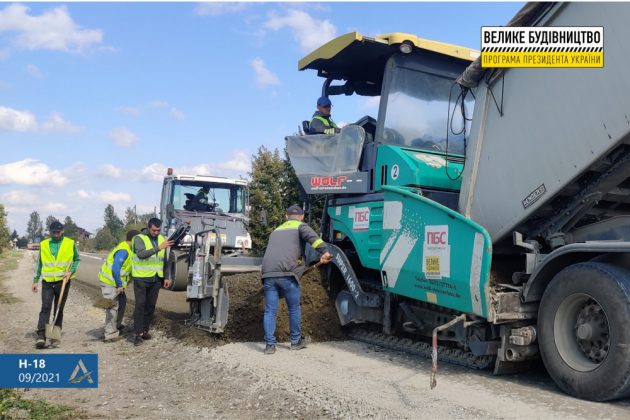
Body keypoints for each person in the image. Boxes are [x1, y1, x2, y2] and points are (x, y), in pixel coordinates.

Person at [260, 205, 332, 354]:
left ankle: (270, 346)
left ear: (286, 216)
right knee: (293, 308)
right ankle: (295, 341)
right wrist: (325, 252)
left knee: (270, 310)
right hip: (287, 274)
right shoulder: (300, 226)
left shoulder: (276, 231)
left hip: (268, 274)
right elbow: (314, 239)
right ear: (302, 216)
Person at [31, 220, 80, 349]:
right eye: (53, 232)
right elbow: (39, 264)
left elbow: (76, 259)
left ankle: (54, 337)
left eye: (58, 232)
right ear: (50, 232)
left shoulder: (70, 243)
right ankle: (41, 336)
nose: (56, 234)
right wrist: (35, 280)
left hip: (63, 282)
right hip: (47, 282)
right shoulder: (44, 244)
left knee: (59, 309)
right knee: (45, 308)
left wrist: (71, 271)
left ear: (62, 231)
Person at [131, 218, 173, 345]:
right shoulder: (139, 238)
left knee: (150, 306)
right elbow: (141, 254)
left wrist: (166, 277)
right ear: (149, 228)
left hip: (156, 279)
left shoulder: (162, 239)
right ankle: (137, 334)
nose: (156, 232)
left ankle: (144, 330)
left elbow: (165, 260)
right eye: (154, 230)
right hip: (141, 278)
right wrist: (159, 248)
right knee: (140, 305)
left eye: (159, 230)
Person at [98, 229, 140, 342]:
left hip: (113, 282)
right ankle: (110, 334)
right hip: (110, 282)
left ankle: (116, 325)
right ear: (134, 240)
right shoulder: (124, 250)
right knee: (112, 307)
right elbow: (116, 268)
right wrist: (119, 284)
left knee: (122, 301)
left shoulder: (129, 250)